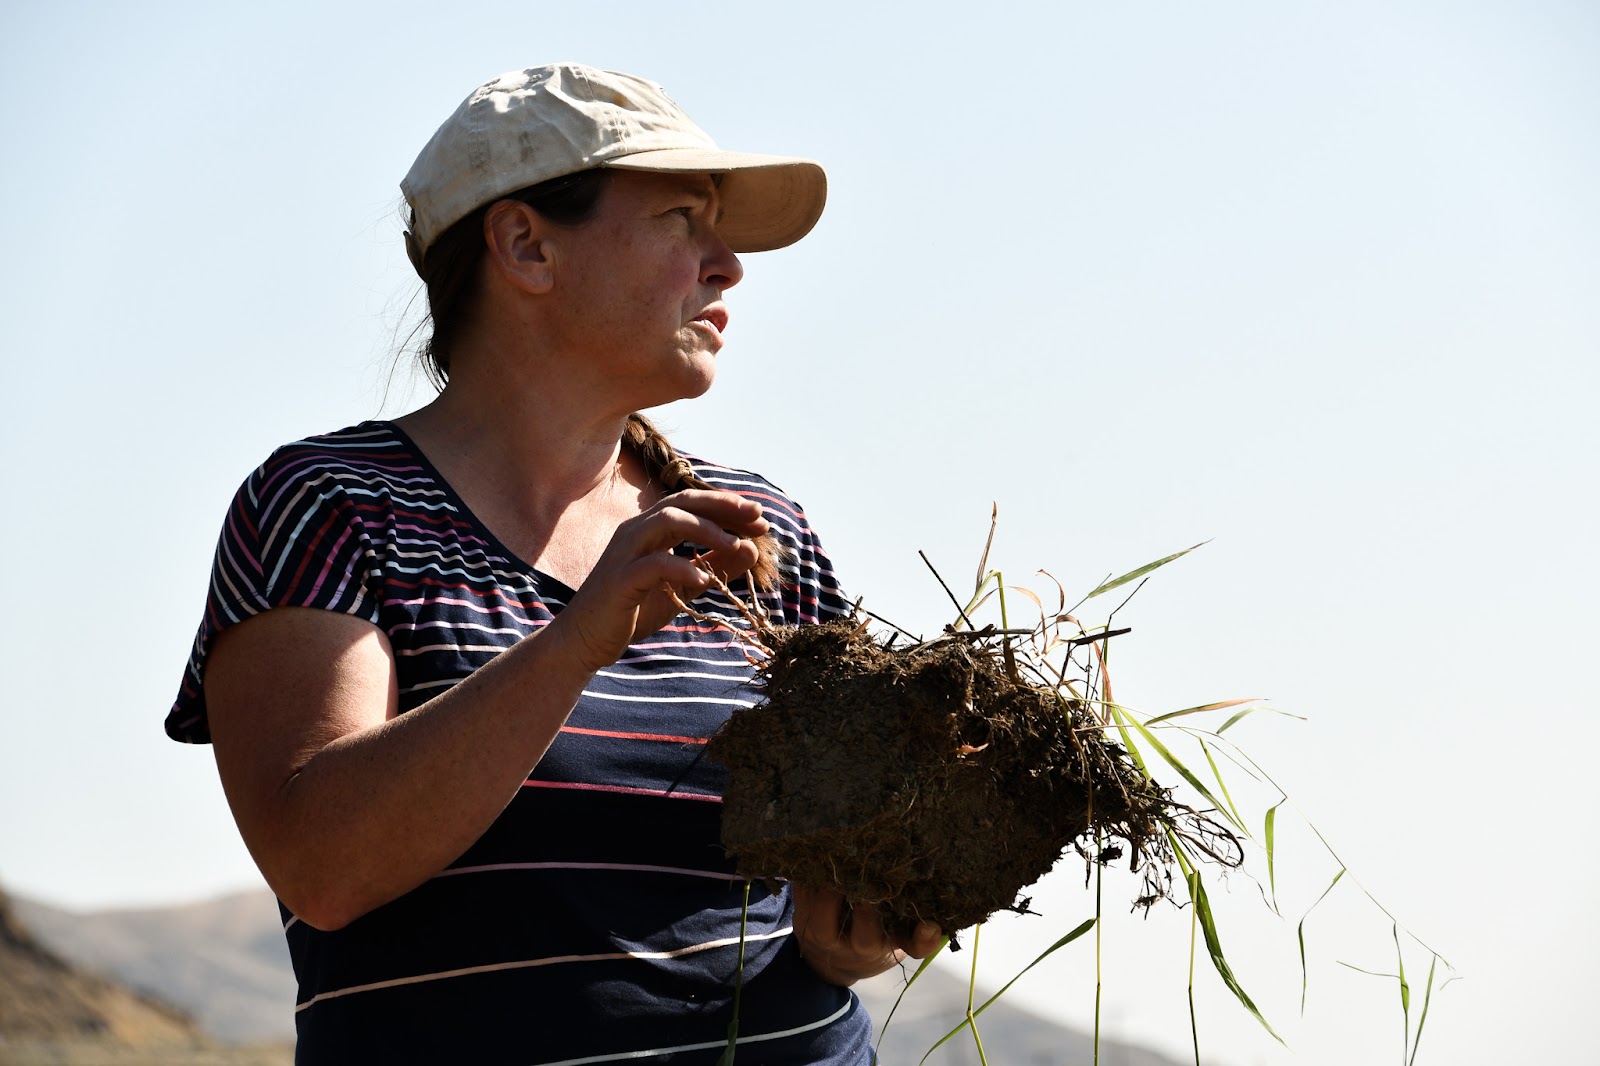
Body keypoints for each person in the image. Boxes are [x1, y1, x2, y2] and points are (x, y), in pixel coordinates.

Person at [165, 63, 938, 1064]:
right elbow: (325, 864)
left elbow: (826, 931)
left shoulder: (749, 526)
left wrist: (885, 905)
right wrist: (576, 642)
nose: (728, 266)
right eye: (678, 218)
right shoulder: (330, 505)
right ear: (526, 244)